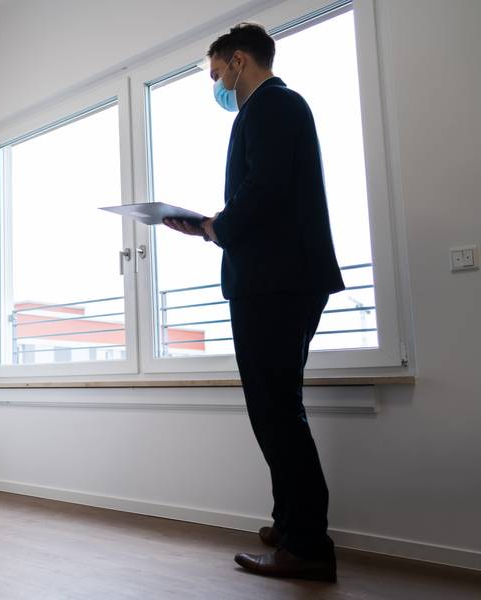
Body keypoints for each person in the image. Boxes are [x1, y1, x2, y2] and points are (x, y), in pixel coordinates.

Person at [164, 23, 344, 582]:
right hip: (281, 277)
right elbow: (265, 193)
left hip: (276, 282)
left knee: (276, 411)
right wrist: (208, 228)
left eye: (216, 73)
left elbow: (263, 190)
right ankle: (292, 525)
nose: (215, 84)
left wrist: (217, 226)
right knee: (276, 407)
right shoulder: (277, 109)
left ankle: (307, 545)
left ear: (239, 61)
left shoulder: (270, 106)